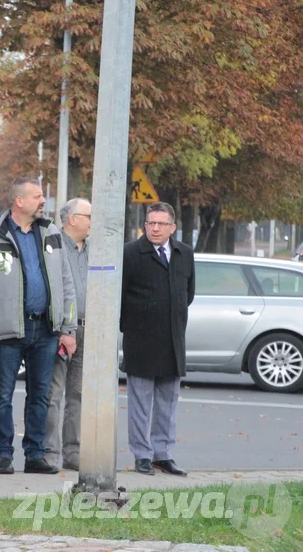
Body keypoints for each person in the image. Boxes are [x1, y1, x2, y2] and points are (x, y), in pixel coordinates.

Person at [0, 177, 77, 475]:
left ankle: (35, 454)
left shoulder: (51, 232)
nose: (43, 201)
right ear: (19, 201)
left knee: (41, 395)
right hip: (7, 332)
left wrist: (68, 328)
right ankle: (2, 454)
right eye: (38, 196)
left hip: (46, 330)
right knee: (2, 395)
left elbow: (66, 283)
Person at [121, 202, 195, 477]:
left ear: (172, 228)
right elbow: (121, 295)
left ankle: (162, 454)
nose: (154, 228)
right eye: (150, 223)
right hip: (140, 339)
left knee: (168, 402)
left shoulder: (184, 253)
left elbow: (188, 293)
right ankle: (142, 455)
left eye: (161, 224)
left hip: (173, 340)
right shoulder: (131, 253)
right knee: (140, 402)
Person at [45, 198, 90, 472]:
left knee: (79, 394)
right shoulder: (54, 245)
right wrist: (65, 328)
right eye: (88, 216)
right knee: (53, 394)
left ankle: (74, 454)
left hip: (90, 329)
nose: (91, 221)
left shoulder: (95, 249)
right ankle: (50, 453)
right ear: (72, 219)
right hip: (61, 331)